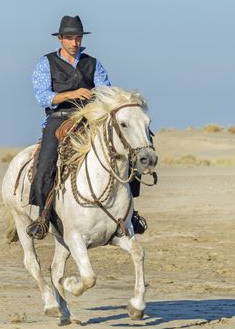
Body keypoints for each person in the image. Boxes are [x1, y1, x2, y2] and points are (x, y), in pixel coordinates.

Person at [27, 15, 146, 239]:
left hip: (92, 117)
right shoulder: (46, 63)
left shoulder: (94, 63)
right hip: (60, 117)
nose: (74, 43)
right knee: (46, 160)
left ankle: (132, 212)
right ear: (60, 38)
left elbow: (106, 91)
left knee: (129, 151)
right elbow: (43, 97)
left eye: (78, 38)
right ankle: (42, 215)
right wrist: (71, 94)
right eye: (70, 38)